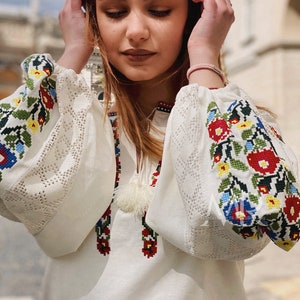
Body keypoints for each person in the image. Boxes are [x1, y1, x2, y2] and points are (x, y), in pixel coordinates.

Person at [0, 0, 300, 299]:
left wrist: (205, 57)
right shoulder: (73, 128)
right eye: (115, 13)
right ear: (93, 20)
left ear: (193, 18)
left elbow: (255, 222)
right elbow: (9, 170)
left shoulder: (237, 122)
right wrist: (75, 49)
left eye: (159, 11)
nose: (136, 31)